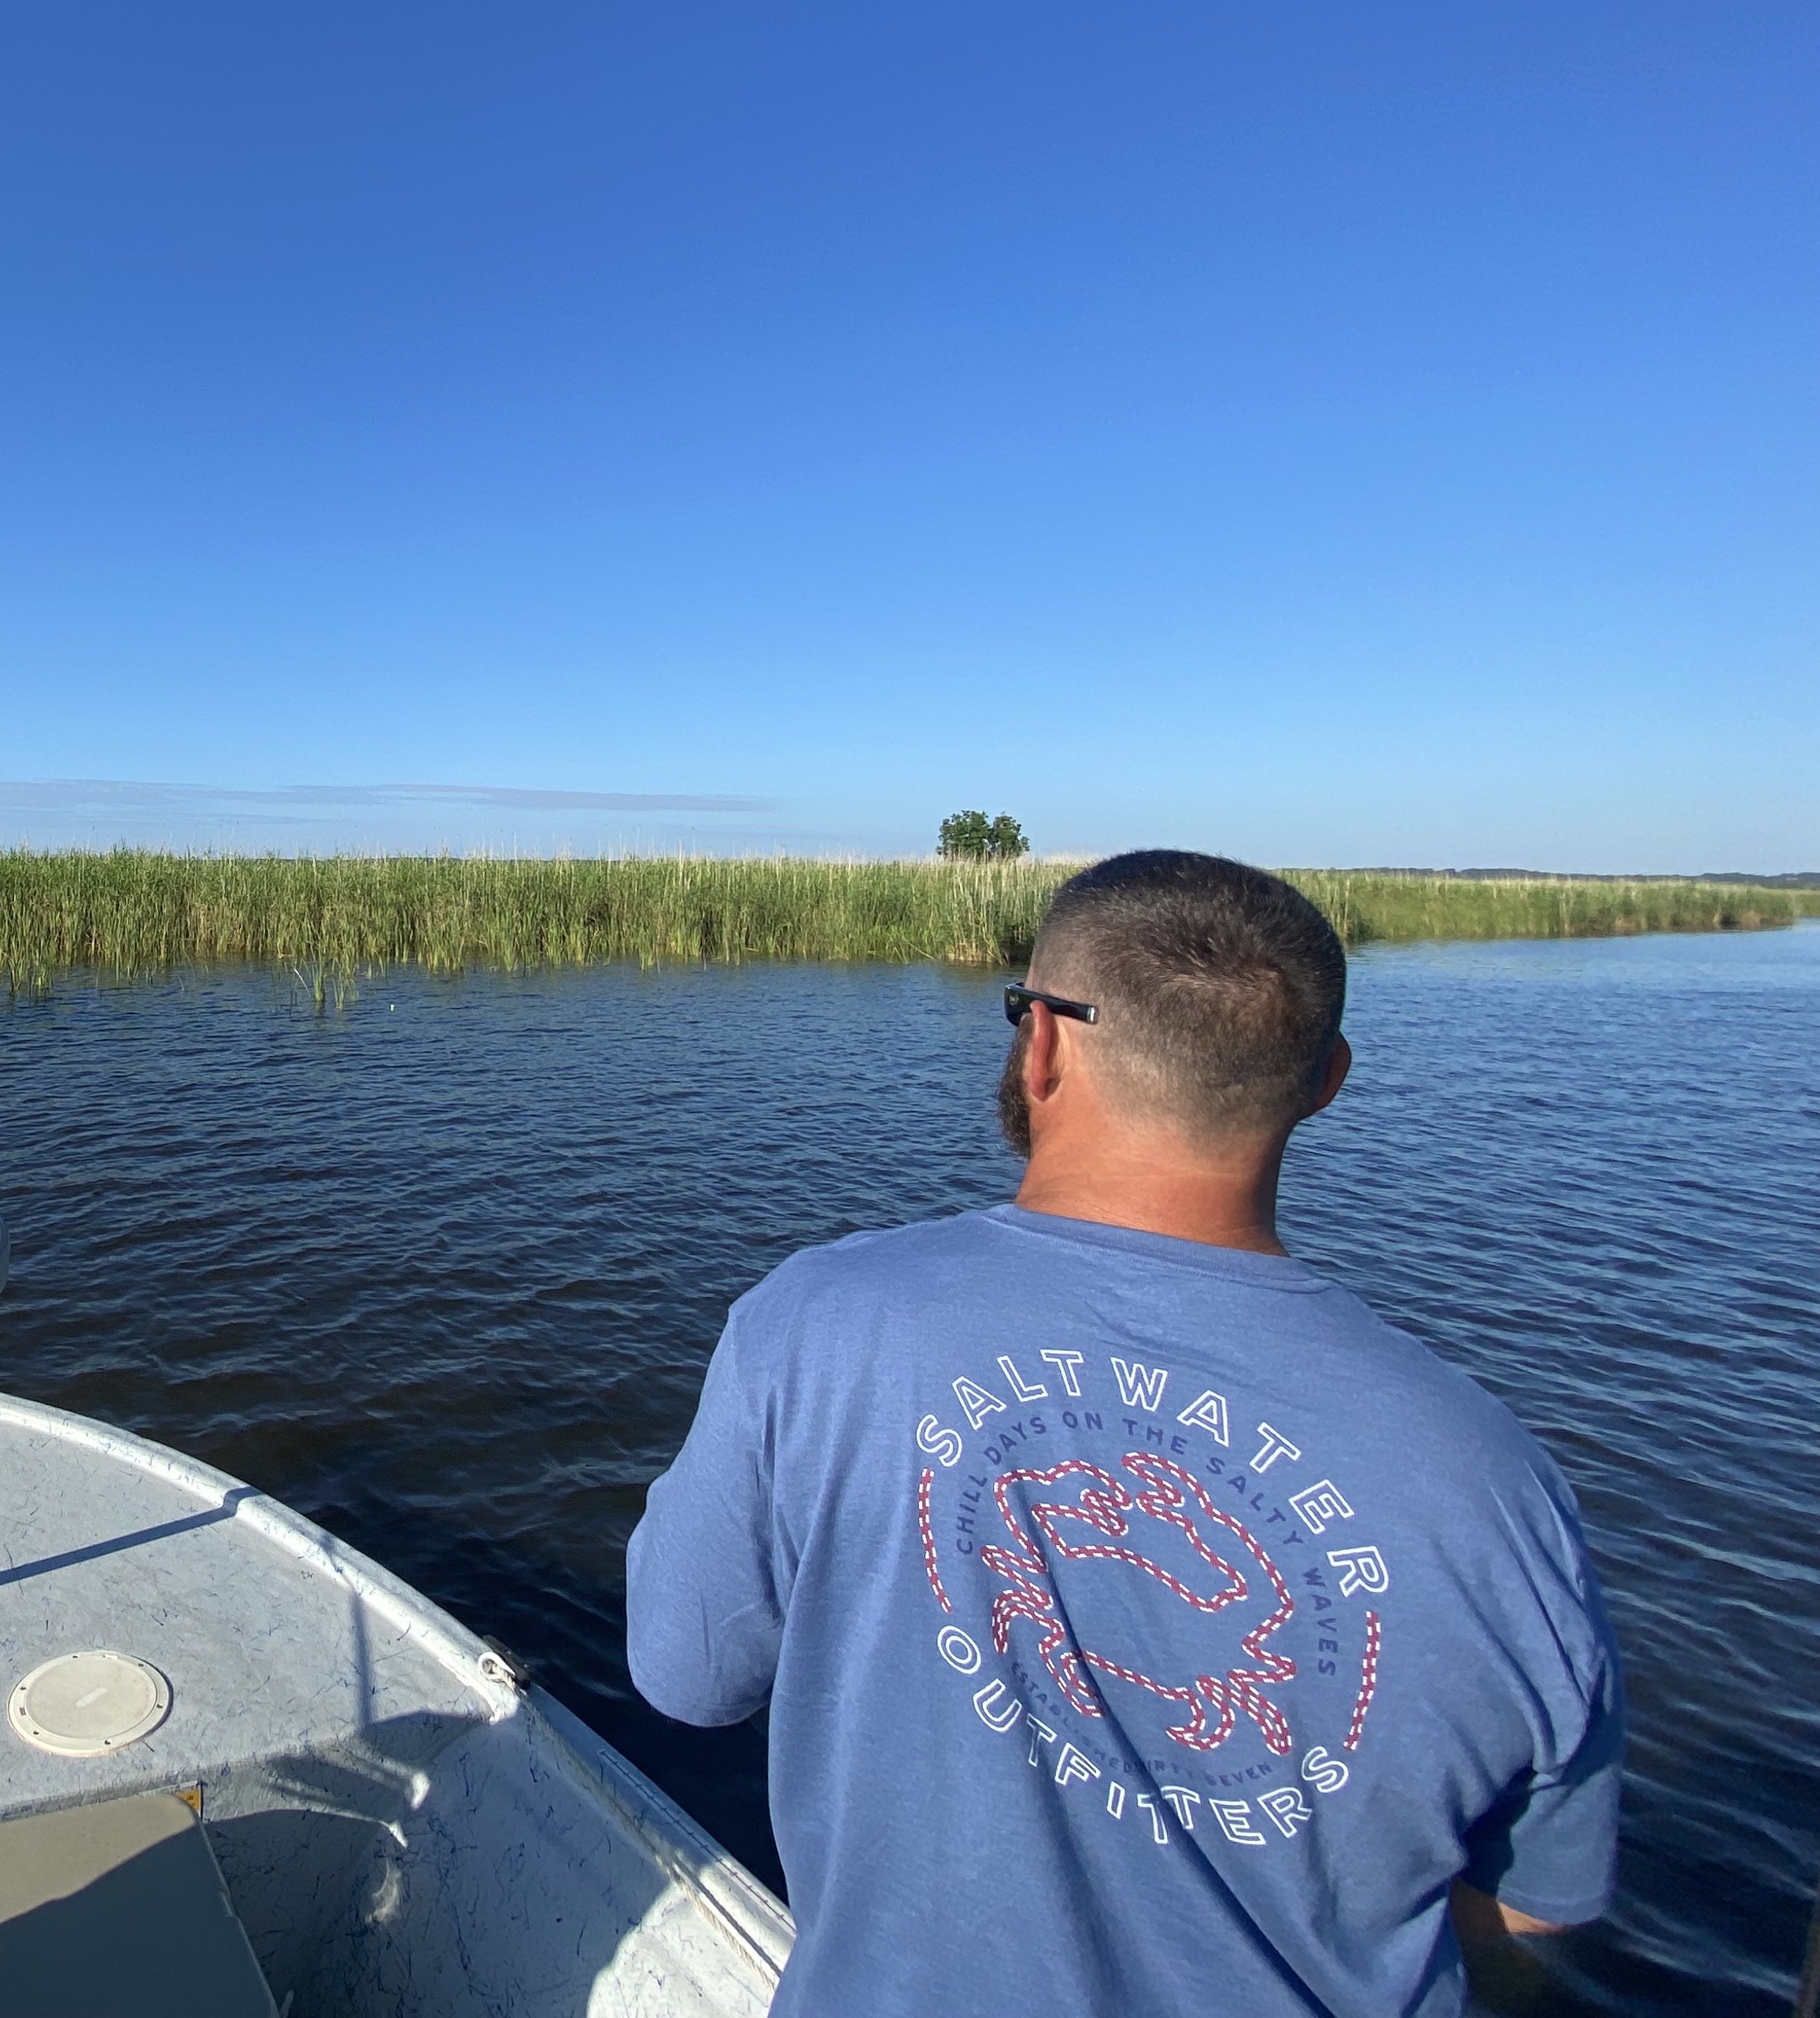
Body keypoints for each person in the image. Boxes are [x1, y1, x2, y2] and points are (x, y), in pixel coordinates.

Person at [626, 850, 1620, 2018]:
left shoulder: (814, 1323)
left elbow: (686, 1676)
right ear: (1326, 1081)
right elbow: (1534, 1901)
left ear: (1041, 1044)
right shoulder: (1502, 1486)